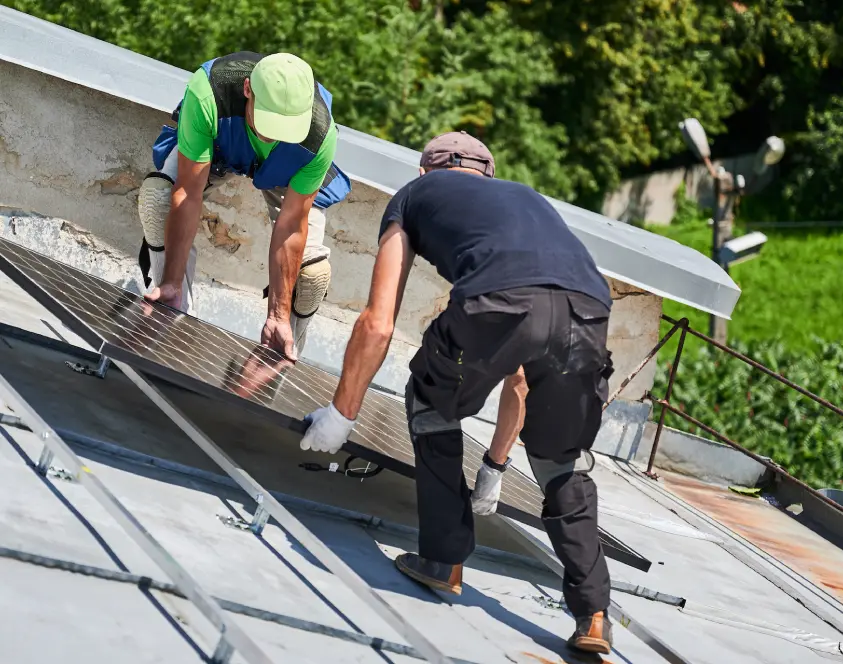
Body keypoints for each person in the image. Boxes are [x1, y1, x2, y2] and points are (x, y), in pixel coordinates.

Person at [299, 131, 616, 654]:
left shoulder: (415, 196)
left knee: (431, 398)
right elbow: (521, 376)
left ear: (427, 171)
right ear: (488, 177)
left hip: (499, 301)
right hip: (589, 312)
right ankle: (594, 614)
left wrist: (341, 414)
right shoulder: (528, 201)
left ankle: (444, 559)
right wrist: (495, 466)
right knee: (563, 462)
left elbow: (378, 323)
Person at [137, 51, 351, 360]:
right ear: (247, 89)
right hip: (220, 146)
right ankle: (172, 313)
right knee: (159, 199)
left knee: (312, 275)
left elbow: (291, 224)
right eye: (269, 122)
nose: (275, 135)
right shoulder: (209, 93)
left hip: (285, 168)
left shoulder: (319, 134)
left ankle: (282, 354)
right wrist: (171, 279)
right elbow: (188, 192)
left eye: (285, 127)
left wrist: (277, 313)